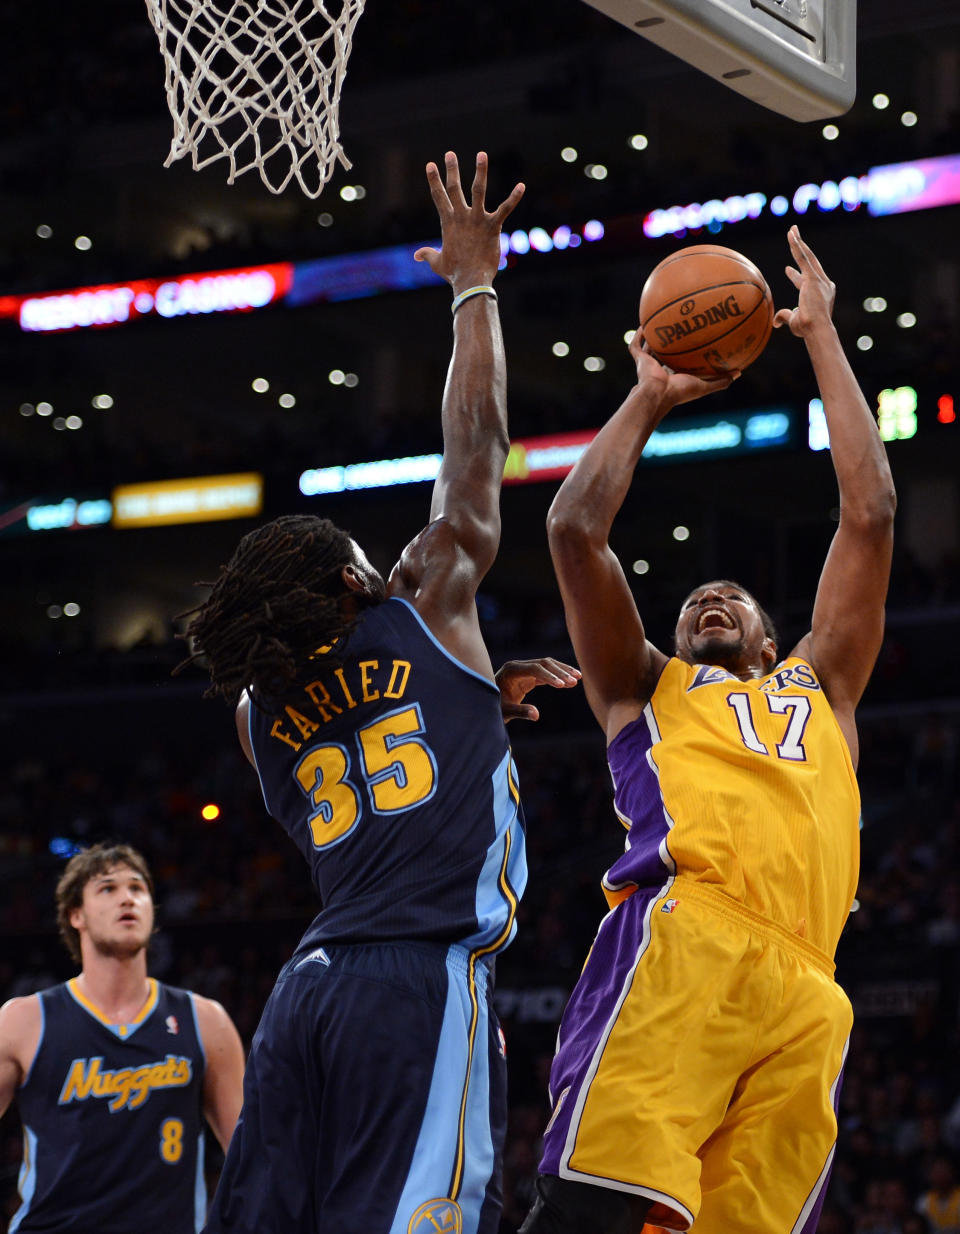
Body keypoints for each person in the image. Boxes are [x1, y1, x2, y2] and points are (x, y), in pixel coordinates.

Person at [178, 152, 580, 1234]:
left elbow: (365, 725)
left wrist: (474, 706)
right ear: (352, 577)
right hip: (415, 979)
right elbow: (478, 443)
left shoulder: (257, 713)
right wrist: (474, 284)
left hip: (304, 992)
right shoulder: (429, 596)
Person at [521, 225, 897, 1234]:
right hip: (684, 942)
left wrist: (818, 334)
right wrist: (648, 393)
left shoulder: (825, 693)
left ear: (775, 638)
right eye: (692, 606)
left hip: (811, 989)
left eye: (730, 599)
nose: (709, 606)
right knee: (588, 1213)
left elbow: (870, 514)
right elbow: (572, 532)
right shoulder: (645, 689)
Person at [0, 842, 245, 1234]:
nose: (127, 898)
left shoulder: (205, 1020)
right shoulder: (24, 1021)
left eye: (138, 888)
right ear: (75, 915)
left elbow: (250, 1158)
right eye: (108, 888)